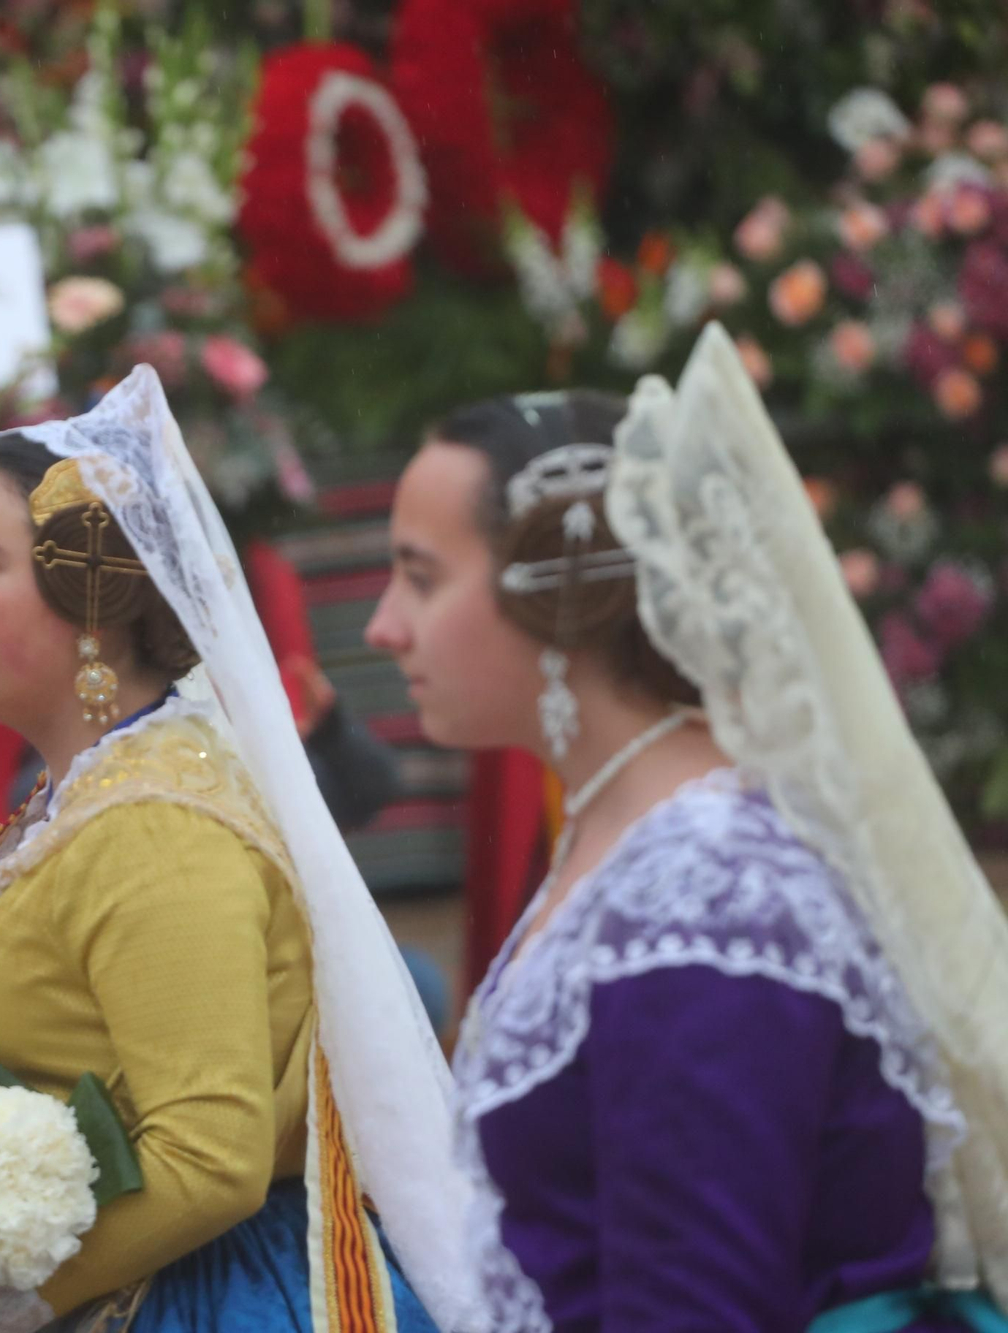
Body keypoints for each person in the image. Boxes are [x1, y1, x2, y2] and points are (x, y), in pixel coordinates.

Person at [364, 325, 1008, 1331]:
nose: (380, 627)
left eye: (419, 575)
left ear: (560, 590)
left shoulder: (706, 898)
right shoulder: (629, 839)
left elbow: (695, 1304)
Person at [0, 367, 476, 1333]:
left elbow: (210, 1157)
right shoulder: (83, 799)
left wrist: (1, 1301)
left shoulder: (155, 826)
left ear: (90, 591)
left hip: (198, 1298)